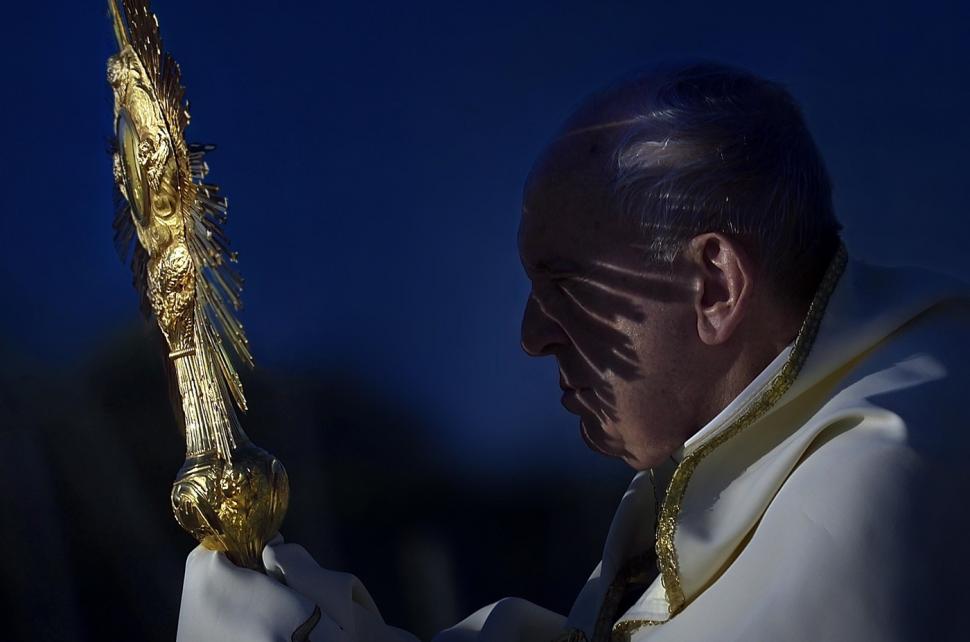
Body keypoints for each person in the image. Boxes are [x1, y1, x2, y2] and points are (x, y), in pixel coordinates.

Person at [177, 62, 970, 641]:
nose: (531, 337)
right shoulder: (753, 453)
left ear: (715, 286)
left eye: (564, 284)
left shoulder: (888, 473)